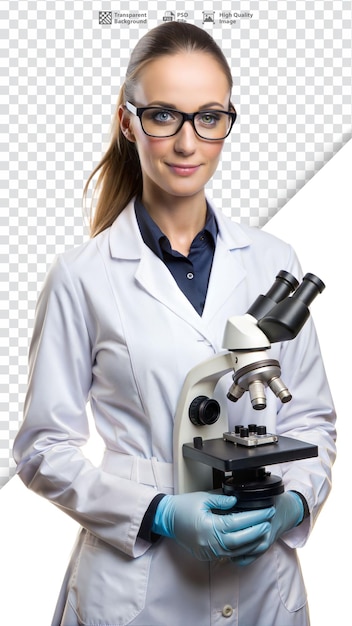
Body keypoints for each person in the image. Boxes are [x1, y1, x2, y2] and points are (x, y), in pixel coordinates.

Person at [13, 21, 336, 626]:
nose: (188, 142)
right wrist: (158, 511)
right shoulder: (82, 276)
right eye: (164, 115)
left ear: (227, 122)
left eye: (209, 117)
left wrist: (292, 502)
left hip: (263, 589)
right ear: (128, 121)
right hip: (136, 589)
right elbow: (42, 450)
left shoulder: (274, 261)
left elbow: (311, 419)